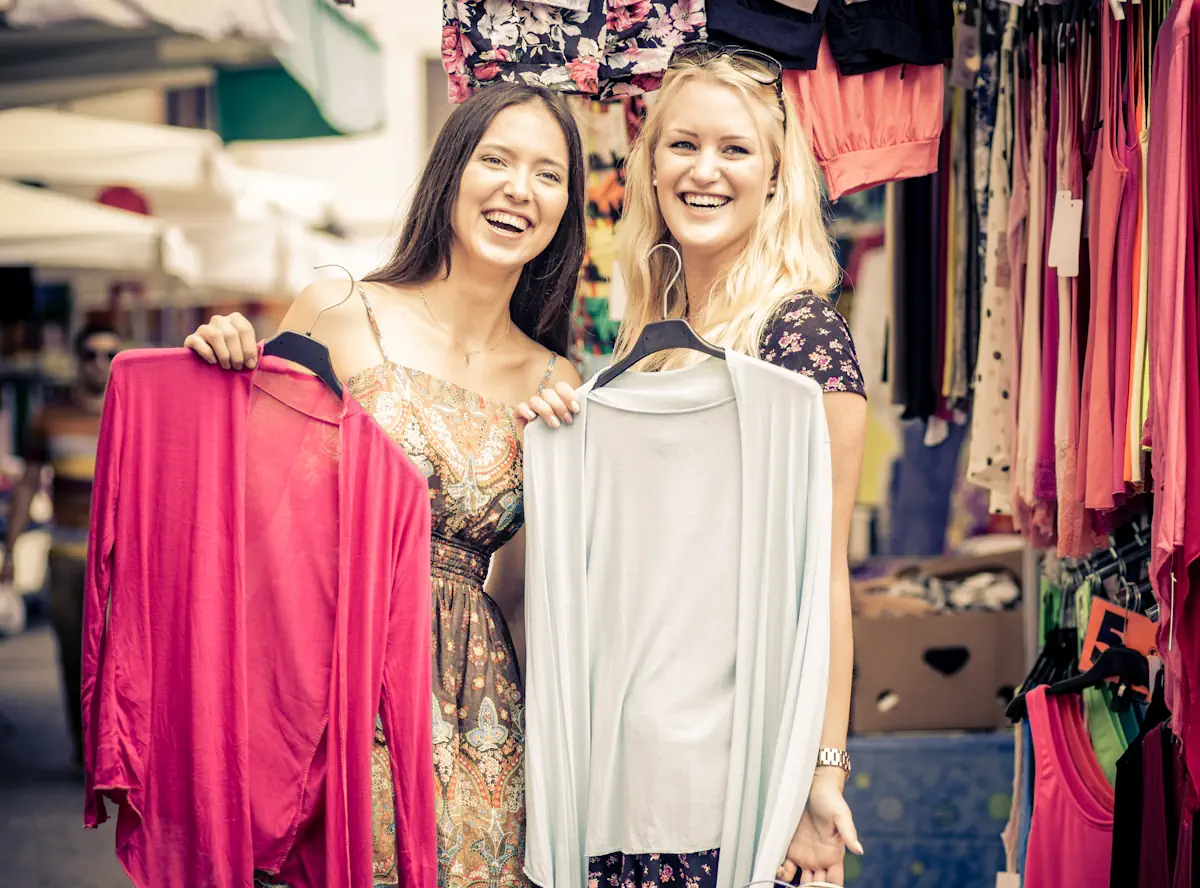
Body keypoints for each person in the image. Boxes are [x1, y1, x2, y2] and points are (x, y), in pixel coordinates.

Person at [183, 83, 585, 887]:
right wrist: (226, 365)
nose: (519, 188)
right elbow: (248, 521)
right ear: (450, 174)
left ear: (567, 209)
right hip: (331, 684)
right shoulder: (340, 308)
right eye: (496, 160)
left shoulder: (558, 378)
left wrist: (573, 467)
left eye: (548, 174)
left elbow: (529, 595)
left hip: (479, 720)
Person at [518, 45, 869, 887]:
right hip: (623, 771)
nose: (704, 171)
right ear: (649, 166)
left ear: (778, 176)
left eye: (734, 149)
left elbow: (823, 578)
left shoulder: (800, 339)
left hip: (738, 777)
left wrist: (822, 772)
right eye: (682, 145)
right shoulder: (646, 341)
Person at [3, 323, 124, 771]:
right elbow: (28, 484)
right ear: (78, 360)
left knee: (120, 657)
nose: (99, 363)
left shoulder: (130, 412)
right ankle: (86, 747)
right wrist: (10, 550)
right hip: (67, 558)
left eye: (109, 354)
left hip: (121, 561)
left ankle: (114, 750)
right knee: (75, 658)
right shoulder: (49, 417)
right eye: (91, 354)